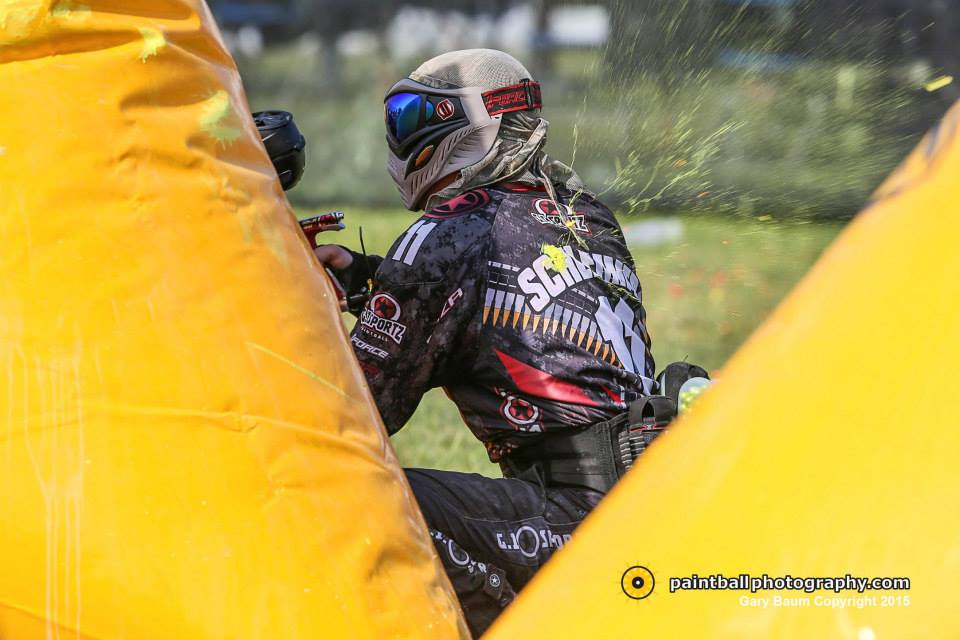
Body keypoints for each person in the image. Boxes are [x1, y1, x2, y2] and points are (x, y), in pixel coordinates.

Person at [315, 49, 663, 637]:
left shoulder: (448, 232)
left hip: (573, 519)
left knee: (362, 498)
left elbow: (357, 412)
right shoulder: (584, 213)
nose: (399, 136)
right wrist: (368, 278)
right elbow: (502, 298)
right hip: (658, 497)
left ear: (466, 123)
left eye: (410, 116)